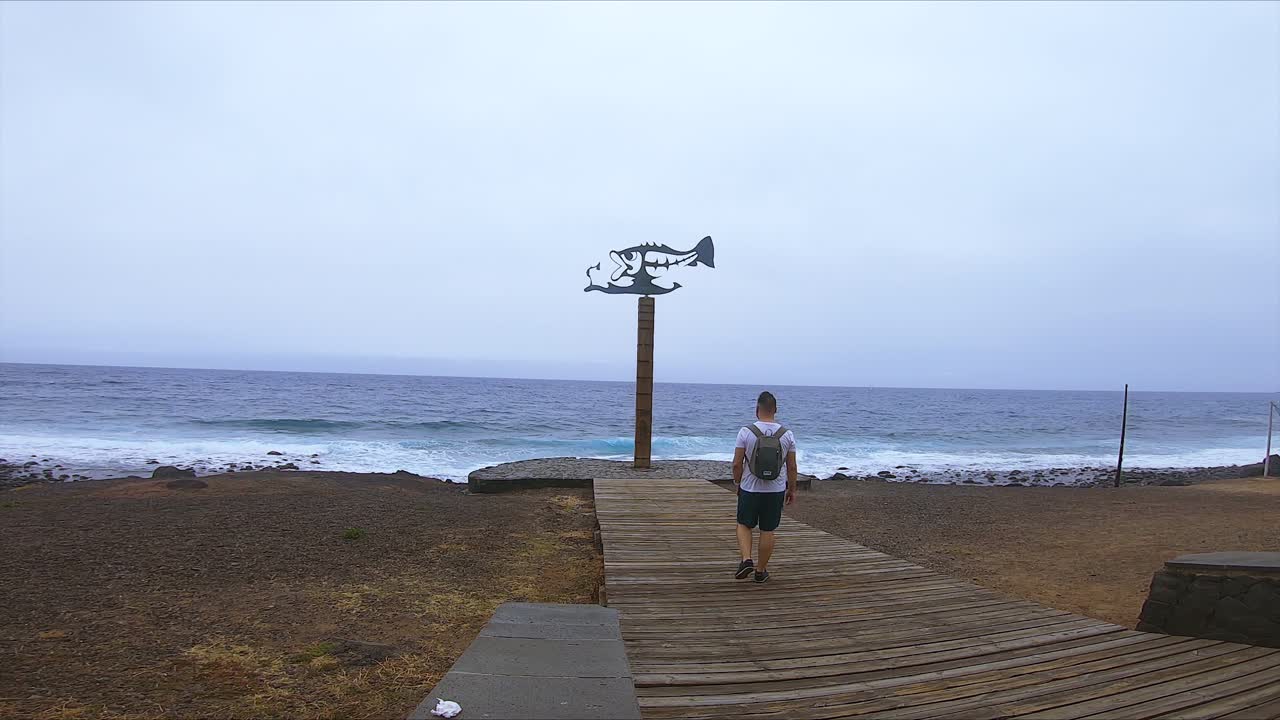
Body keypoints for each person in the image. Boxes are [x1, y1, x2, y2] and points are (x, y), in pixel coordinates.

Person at [732, 391, 797, 584]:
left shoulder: (746, 432)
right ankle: (760, 571)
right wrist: (791, 489)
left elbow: (736, 464)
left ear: (756, 409)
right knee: (768, 530)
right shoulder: (787, 435)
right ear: (775, 410)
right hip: (775, 490)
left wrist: (738, 483)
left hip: (750, 488)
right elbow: (792, 466)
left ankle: (746, 559)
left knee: (744, 524)